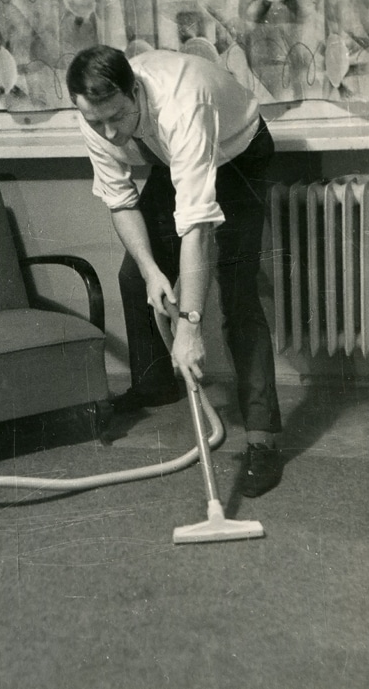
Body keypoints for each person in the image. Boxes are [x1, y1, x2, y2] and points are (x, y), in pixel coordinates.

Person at [66, 44, 282, 497]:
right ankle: (156, 385)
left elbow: (197, 231)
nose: (108, 132)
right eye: (95, 121)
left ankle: (262, 441)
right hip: (176, 158)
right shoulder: (97, 116)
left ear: (136, 92)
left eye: (118, 118)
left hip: (237, 152)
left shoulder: (183, 105)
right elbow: (120, 200)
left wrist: (189, 326)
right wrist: (150, 270)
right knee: (132, 277)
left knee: (237, 293)